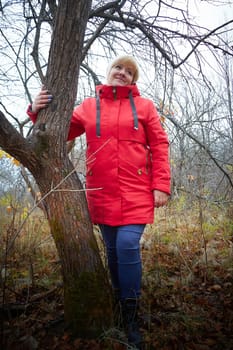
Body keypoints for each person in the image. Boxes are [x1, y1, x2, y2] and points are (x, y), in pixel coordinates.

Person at [27, 55, 171, 349]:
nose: (123, 73)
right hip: (101, 192)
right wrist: (35, 110)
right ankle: (118, 302)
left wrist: (162, 186)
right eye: (119, 67)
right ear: (109, 72)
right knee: (112, 251)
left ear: (134, 80)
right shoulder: (88, 107)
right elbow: (59, 133)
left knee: (127, 246)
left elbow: (159, 144)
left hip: (136, 192)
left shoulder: (144, 107)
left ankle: (131, 318)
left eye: (130, 72)